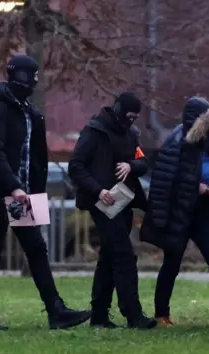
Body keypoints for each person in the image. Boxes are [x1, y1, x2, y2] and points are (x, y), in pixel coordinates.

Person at [0, 55, 91, 330]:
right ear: (22, 76)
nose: (36, 80)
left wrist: (32, 191)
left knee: (36, 248)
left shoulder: (27, 112)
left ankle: (55, 311)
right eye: (33, 75)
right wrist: (13, 185)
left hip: (20, 195)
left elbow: (31, 157)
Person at [140, 96, 209, 328]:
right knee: (172, 262)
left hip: (205, 210)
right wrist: (197, 187)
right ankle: (161, 313)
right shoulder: (178, 142)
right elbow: (171, 177)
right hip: (180, 210)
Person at [68, 92, 157, 330]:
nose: (131, 121)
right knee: (123, 255)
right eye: (129, 116)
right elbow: (76, 166)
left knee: (109, 257)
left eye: (135, 118)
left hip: (123, 201)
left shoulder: (131, 134)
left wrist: (131, 166)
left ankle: (99, 314)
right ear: (118, 111)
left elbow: (143, 162)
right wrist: (98, 191)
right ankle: (133, 314)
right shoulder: (94, 131)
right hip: (101, 202)